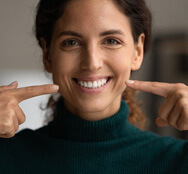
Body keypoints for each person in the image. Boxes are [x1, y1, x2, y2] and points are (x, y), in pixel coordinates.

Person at [0, 0, 188, 173]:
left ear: (137, 52)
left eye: (111, 41)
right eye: (71, 42)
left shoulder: (178, 160)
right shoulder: (7, 157)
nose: (92, 63)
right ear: (48, 55)